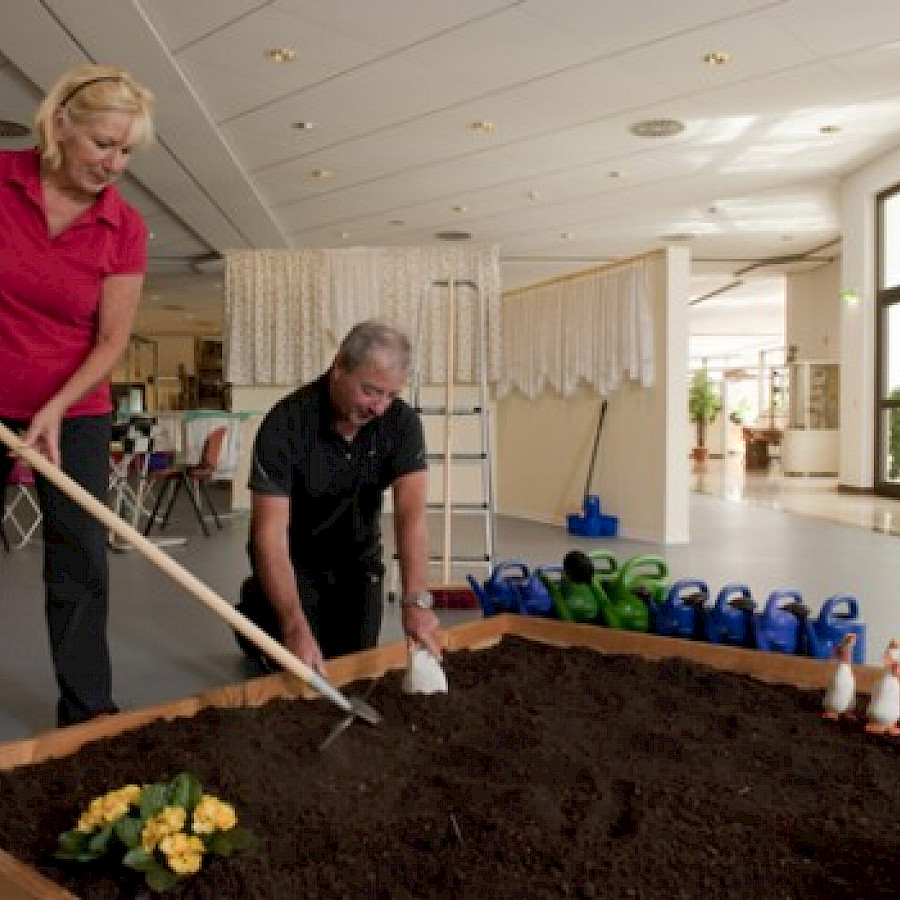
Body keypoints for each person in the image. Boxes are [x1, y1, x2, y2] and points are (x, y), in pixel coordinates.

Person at [0, 63, 155, 727]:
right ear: (61, 125)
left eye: (127, 151)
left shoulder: (126, 228)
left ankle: (88, 712)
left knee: (82, 564)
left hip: (77, 411)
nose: (114, 163)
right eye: (104, 144)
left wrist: (56, 408)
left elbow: (111, 340)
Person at [235, 320, 441, 674]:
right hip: (295, 560)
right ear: (338, 369)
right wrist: (293, 626)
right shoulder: (284, 425)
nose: (380, 407)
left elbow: (412, 516)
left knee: (350, 666)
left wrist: (416, 601)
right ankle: (255, 611)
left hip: (357, 563)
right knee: (295, 662)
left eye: (390, 395)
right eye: (371, 391)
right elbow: (268, 534)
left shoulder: (402, 424)